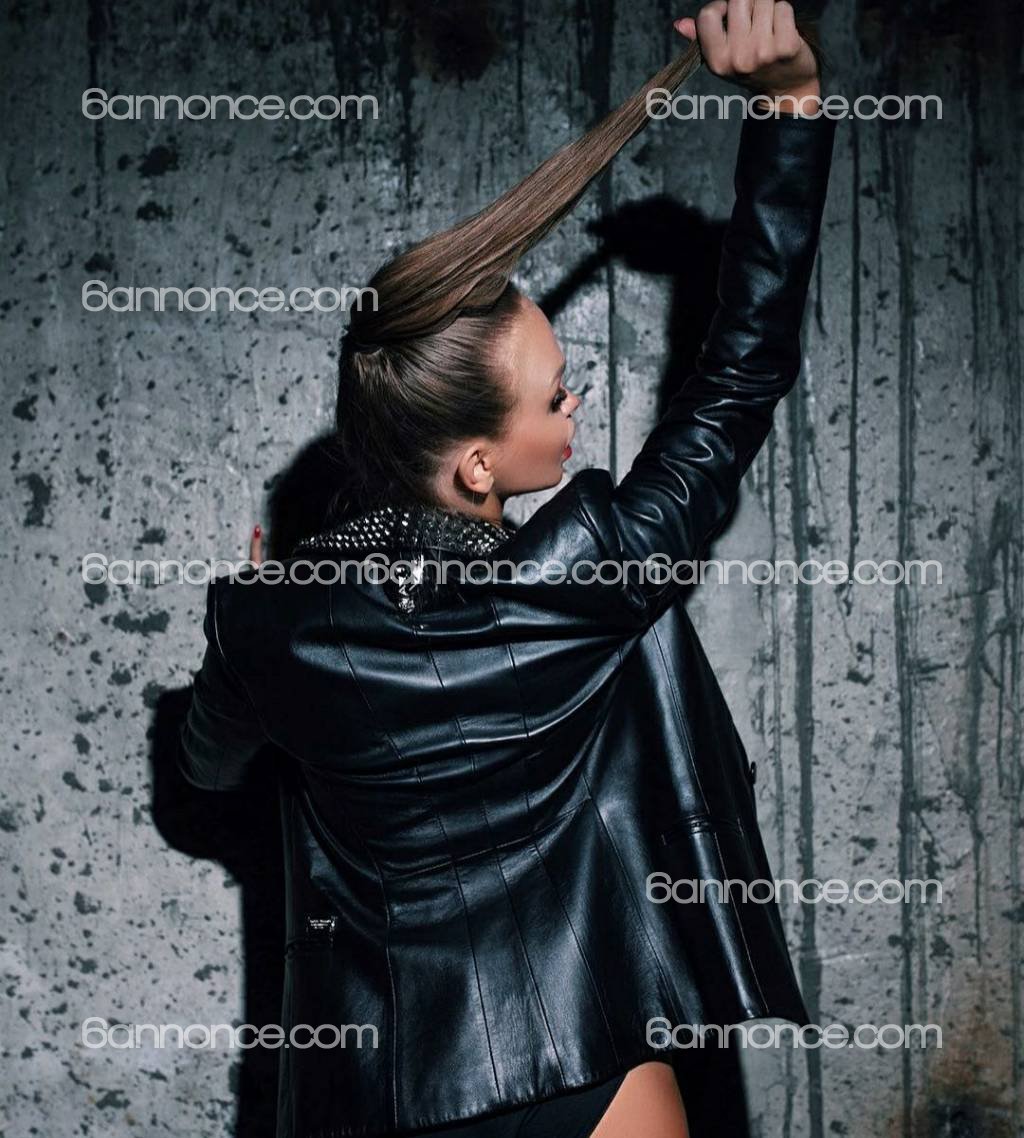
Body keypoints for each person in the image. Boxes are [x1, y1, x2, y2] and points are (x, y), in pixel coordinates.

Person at [179, 3, 837, 1135]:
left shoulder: (272, 625)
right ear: (480, 462)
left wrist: (251, 623)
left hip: (373, 1097)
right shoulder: (593, 576)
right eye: (555, 392)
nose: (576, 402)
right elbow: (738, 380)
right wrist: (791, 106)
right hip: (586, 1070)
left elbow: (206, 766)